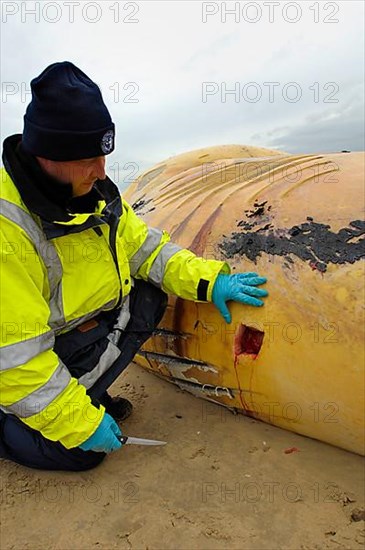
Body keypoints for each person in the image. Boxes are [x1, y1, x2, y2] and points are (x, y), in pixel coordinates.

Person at [0, 61, 269, 471]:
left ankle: (83, 389)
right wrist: (80, 425)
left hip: (67, 335)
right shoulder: (8, 227)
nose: (101, 170)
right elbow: (16, 358)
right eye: (88, 157)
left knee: (148, 294)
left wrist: (210, 281)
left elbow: (144, 250)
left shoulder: (97, 197)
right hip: (21, 355)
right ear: (47, 154)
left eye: (104, 154)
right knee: (81, 454)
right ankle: (10, 425)